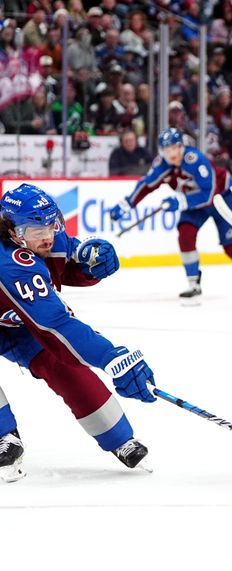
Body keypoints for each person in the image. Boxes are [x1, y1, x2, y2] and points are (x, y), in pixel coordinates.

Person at [0, 184, 155, 482]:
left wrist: (89, 266)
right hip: (23, 316)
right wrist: (111, 357)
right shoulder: (10, 264)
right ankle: (3, 437)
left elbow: (64, 263)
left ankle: (119, 438)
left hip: (17, 321)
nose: (48, 235)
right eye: (36, 229)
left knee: (65, 368)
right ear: (13, 231)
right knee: (60, 342)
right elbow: (56, 324)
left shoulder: (46, 237)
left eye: (51, 223)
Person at [109, 128, 232, 303]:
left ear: (181, 146)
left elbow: (208, 193)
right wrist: (126, 204)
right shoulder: (162, 164)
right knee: (185, 234)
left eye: (174, 148)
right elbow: (147, 185)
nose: (171, 153)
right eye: (166, 150)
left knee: (231, 245)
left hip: (220, 198)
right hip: (192, 202)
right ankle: (193, 284)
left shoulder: (195, 160)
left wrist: (180, 202)